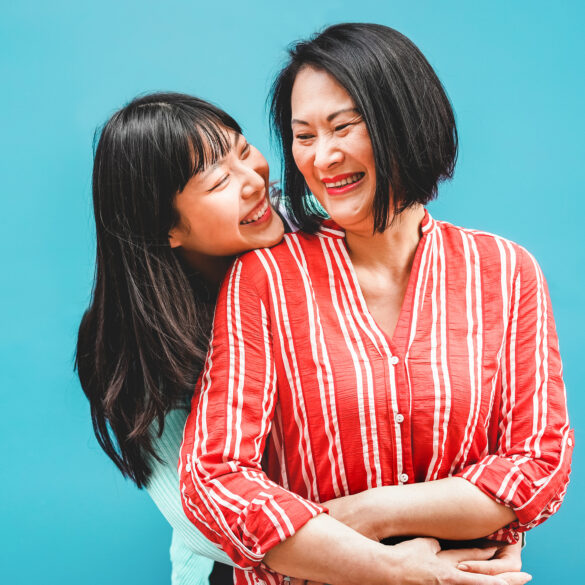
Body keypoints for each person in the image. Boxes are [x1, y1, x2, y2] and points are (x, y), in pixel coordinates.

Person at [179, 23, 573, 585]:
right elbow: (215, 475)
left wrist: (364, 513)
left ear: (405, 120)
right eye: (304, 135)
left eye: (344, 127)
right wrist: (395, 564)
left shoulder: (507, 271)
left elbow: (539, 465)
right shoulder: (263, 277)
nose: (324, 156)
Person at [75, 92, 285, 585]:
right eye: (219, 181)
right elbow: (207, 522)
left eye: (244, 149)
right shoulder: (135, 350)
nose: (255, 181)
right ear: (166, 226)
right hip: (234, 568)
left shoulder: (303, 226)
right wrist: (379, 533)